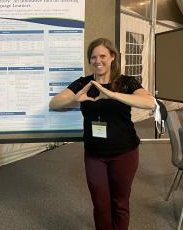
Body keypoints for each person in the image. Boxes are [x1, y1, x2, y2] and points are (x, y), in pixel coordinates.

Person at [49, 38, 155, 230]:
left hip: (125, 152)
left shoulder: (125, 82)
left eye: (102, 56)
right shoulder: (84, 83)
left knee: (120, 203)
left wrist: (112, 95)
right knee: (100, 205)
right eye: (93, 57)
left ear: (112, 57)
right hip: (94, 154)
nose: (97, 61)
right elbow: (54, 103)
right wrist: (75, 97)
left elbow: (150, 103)